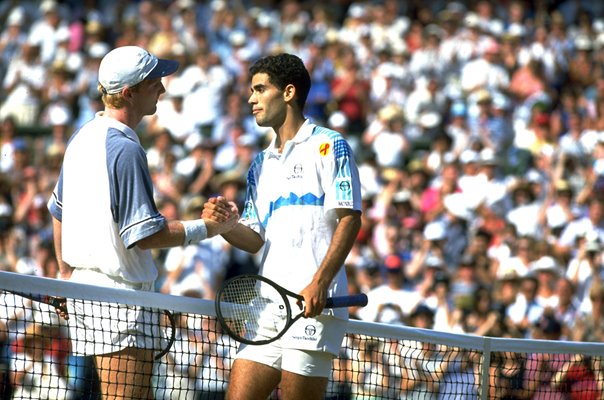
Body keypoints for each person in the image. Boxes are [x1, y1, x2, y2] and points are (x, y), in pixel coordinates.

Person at [46, 45, 238, 400]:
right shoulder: (125, 148)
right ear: (128, 93)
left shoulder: (79, 139)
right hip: (121, 300)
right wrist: (207, 228)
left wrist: (65, 274)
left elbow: (59, 213)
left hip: (89, 293)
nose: (162, 90)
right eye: (153, 84)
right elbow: (144, 237)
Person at [203, 53, 362, 400]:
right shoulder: (259, 164)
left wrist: (319, 282)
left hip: (314, 309)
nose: (251, 99)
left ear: (288, 92)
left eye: (260, 89)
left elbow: (350, 219)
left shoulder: (330, 145)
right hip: (267, 309)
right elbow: (254, 240)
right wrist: (225, 225)